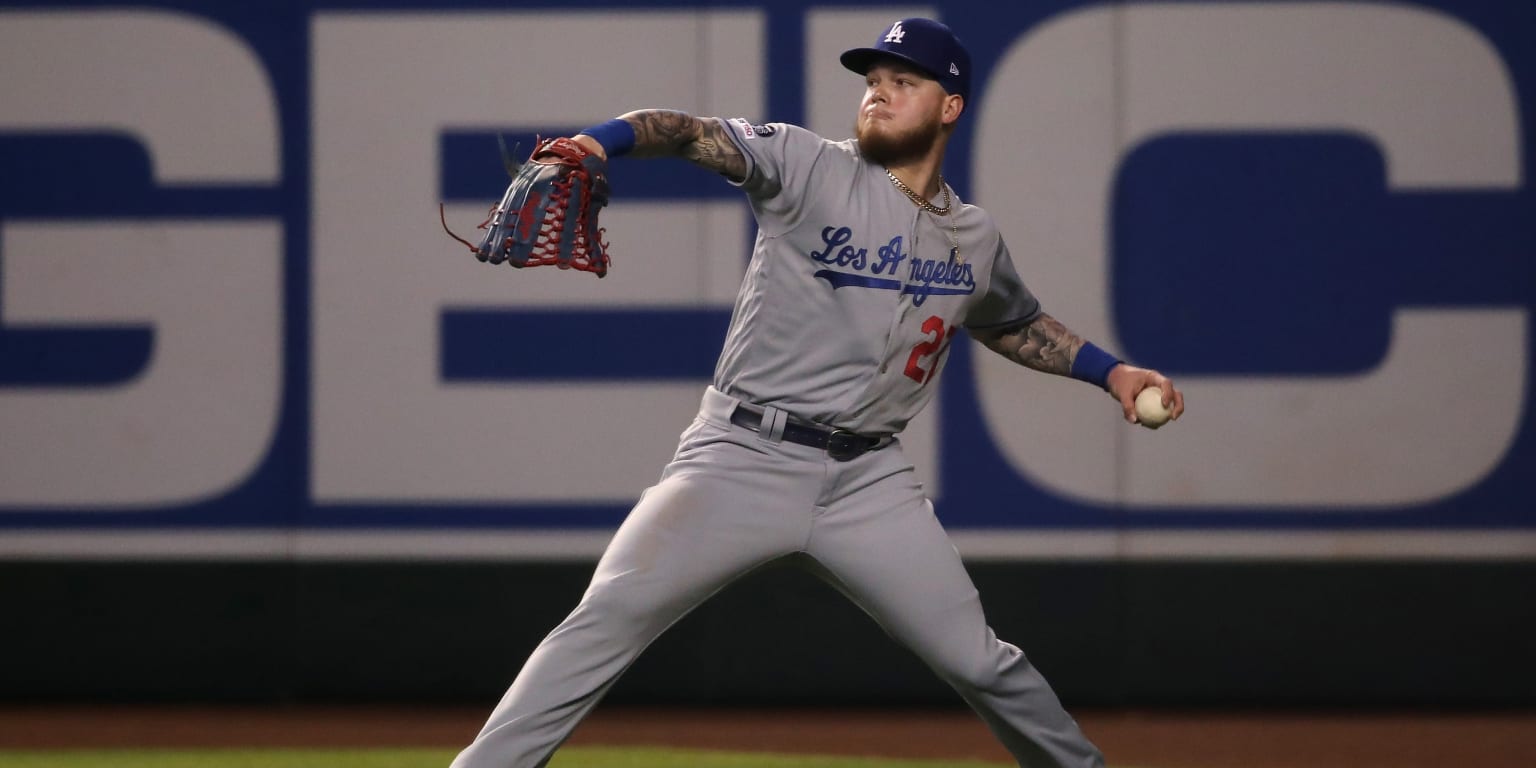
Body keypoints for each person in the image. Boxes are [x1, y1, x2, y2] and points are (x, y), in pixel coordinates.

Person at [451, 17, 1184, 768]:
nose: (878, 95)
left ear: (950, 107)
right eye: (872, 81)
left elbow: (1011, 322)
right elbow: (689, 131)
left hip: (869, 482)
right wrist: (601, 140)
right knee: (604, 619)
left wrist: (1112, 372)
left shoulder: (973, 235)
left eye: (904, 82)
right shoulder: (805, 165)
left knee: (979, 661)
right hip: (738, 457)